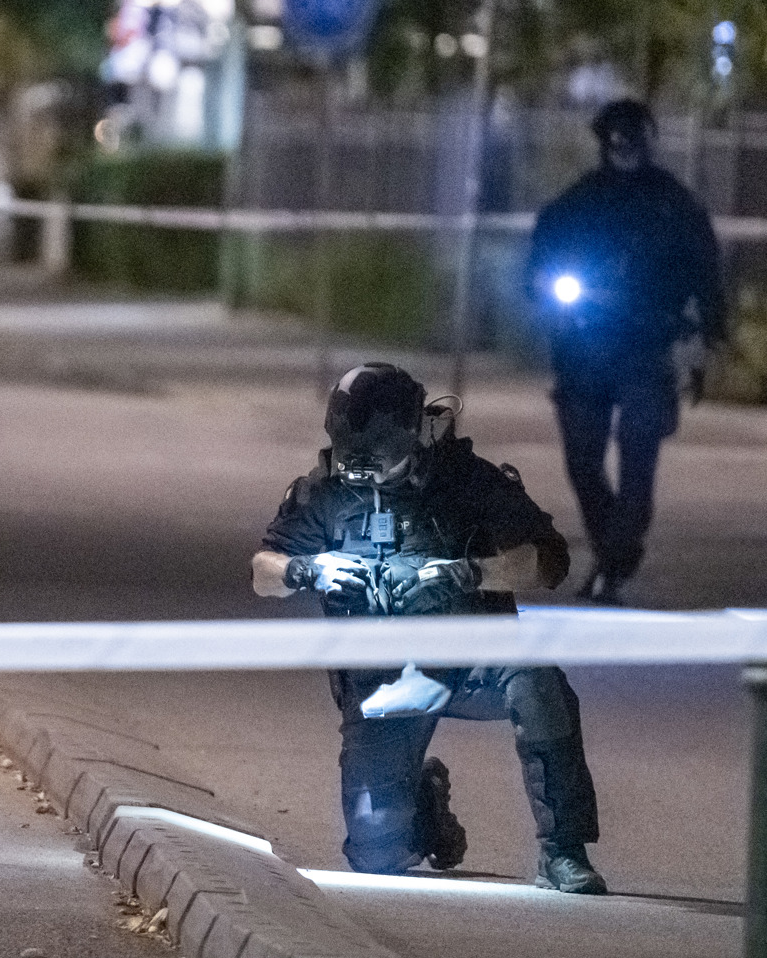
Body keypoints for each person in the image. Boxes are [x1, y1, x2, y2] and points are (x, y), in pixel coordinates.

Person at [252, 363, 606, 894]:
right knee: (376, 855)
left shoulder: (466, 481)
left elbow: (549, 561)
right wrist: (307, 570)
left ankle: (564, 850)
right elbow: (263, 572)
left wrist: (472, 573)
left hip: (474, 660)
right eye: (352, 454)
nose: (366, 469)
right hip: (385, 681)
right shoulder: (322, 492)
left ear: (416, 432)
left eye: (380, 454)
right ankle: (421, 804)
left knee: (538, 681)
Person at [526, 99, 725, 605]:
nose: (625, 147)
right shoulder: (576, 205)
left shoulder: (674, 206)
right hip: (585, 346)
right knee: (582, 460)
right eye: (616, 137)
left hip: (647, 346)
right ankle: (613, 551)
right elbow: (540, 266)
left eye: (633, 136)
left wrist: (707, 339)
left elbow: (707, 274)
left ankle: (614, 560)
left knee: (639, 452)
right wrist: (551, 299)